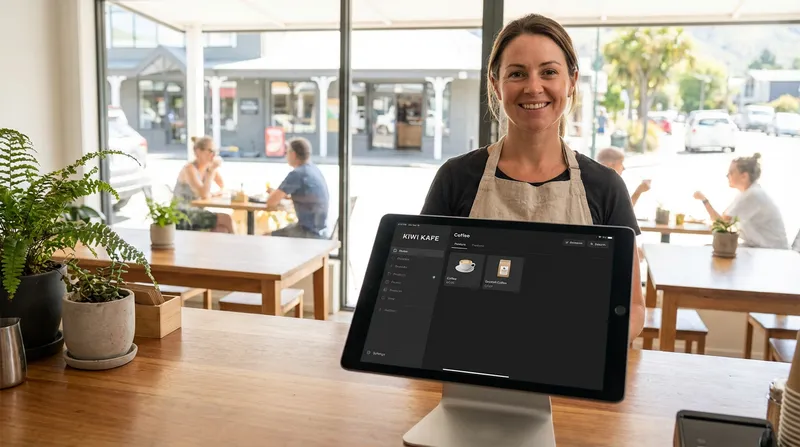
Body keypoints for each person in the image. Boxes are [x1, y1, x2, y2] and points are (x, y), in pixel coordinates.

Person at [420, 13, 645, 342]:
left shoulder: (606, 187)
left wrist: (593, 345)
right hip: (470, 359)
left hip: (572, 366)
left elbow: (633, 307)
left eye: (549, 72)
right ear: (496, 85)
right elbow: (420, 287)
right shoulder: (456, 177)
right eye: (517, 73)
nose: (533, 87)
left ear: (571, 82)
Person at [693, 153, 788, 249]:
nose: (727, 176)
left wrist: (704, 200)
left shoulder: (752, 195)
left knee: (711, 250)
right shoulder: (747, 193)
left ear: (744, 176)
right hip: (761, 248)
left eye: (731, 172)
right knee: (711, 248)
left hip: (772, 252)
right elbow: (724, 219)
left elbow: (722, 224)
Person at [266, 137, 330, 239]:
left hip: (308, 232)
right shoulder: (313, 169)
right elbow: (306, 195)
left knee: (263, 238)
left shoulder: (297, 174)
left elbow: (271, 202)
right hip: (321, 231)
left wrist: (275, 195)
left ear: (293, 154)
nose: (286, 156)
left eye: (287, 152)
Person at [172, 136, 235, 233]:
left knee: (222, 230)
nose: (213, 155)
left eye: (215, 151)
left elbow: (223, 187)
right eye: (210, 151)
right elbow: (203, 194)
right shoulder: (189, 169)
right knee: (226, 219)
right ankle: (238, 247)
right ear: (198, 152)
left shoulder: (208, 168)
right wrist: (211, 171)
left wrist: (214, 193)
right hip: (182, 214)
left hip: (196, 212)